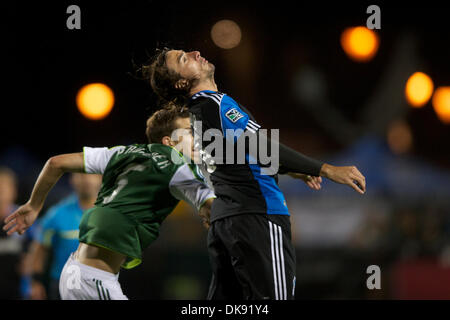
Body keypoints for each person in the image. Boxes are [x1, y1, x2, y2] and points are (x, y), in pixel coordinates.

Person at [143, 48, 366, 300]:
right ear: (182, 82)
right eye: (184, 59)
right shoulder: (215, 104)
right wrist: (324, 169)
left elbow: (238, 156)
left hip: (225, 224)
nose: (195, 53)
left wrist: (293, 170)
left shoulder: (196, 116)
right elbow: (259, 144)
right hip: (257, 217)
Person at [3, 105, 215, 300]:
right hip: (93, 279)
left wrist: (33, 205)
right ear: (169, 142)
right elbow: (214, 208)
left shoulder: (122, 153)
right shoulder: (178, 166)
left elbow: (55, 163)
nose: (197, 138)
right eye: (189, 132)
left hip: (73, 271)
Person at [28, 173, 102, 300]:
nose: (86, 179)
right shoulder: (56, 214)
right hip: (63, 287)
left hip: (100, 286)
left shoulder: (113, 214)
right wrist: (36, 283)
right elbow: (40, 250)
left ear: (101, 178)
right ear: (72, 179)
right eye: (81, 173)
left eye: (92, 173)